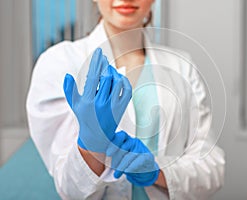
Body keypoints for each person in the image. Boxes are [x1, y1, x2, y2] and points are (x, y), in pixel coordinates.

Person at [26, 0, 225, 199]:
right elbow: (70, 190)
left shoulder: (182, 67)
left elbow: (212, 168)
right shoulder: (59, 63)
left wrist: (158, 173)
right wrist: (90, 148)